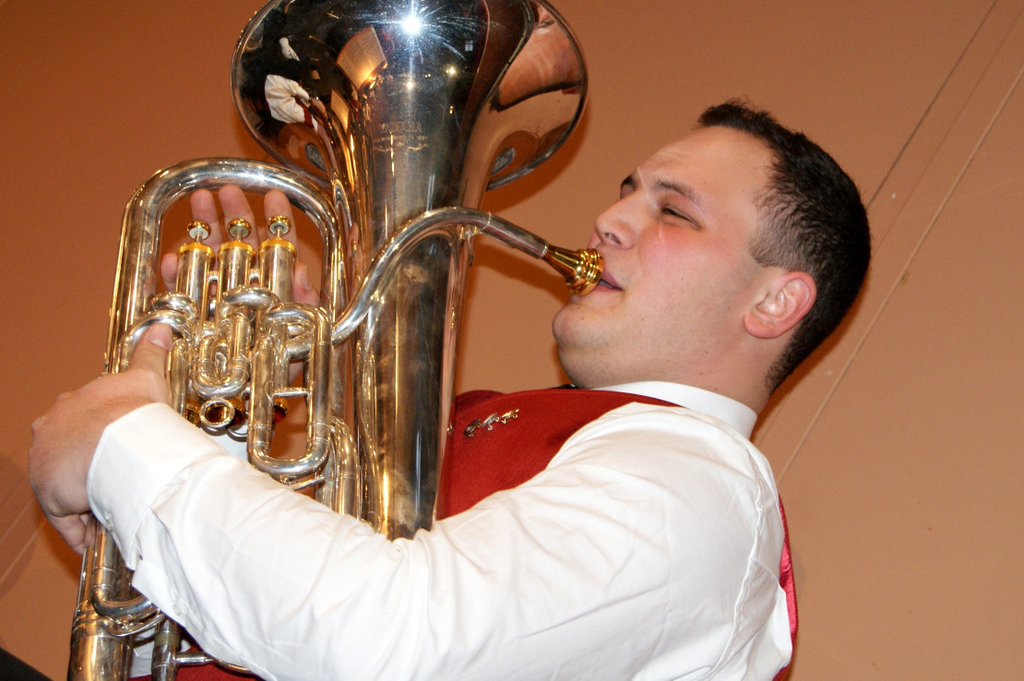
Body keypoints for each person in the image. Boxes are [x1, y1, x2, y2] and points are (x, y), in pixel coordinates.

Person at [30, 101, 870, 680]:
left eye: (673, 212)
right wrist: (223, 417)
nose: (610, 221)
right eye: (627, 193)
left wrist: (126, 441)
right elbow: (254, 638)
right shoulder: (488, 427)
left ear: (774, 302)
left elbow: (391, 649)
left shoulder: (703, 486)